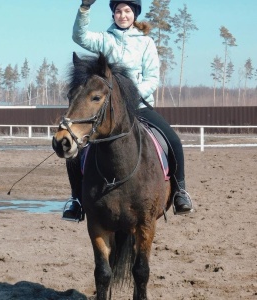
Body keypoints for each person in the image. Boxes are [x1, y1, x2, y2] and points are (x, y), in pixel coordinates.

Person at [62, 0, 193, 221]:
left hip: (139, 107)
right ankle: (76, 200)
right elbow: (79, 37)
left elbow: (152, 78)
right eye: (118, 11)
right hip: (107, 113)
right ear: (113, 15)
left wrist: (129, 96)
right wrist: (84, 9)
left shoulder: (146, 43)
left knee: (173, 140)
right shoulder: (104, 40)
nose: (123, 15)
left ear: (135, 15)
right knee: (76, 151)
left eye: (127, 11)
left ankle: (180, 191)